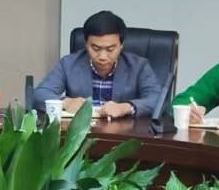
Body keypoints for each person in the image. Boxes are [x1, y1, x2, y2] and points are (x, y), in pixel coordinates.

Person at [32, 10, 163, 118]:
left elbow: (157, 99)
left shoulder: (138, 66)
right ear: (86, 44)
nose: (102, 56)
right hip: (81, 135)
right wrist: (66, 102)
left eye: (110, 49)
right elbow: (39, 94)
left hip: (123, 135)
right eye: (95, 48)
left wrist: (126, 107)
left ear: (121, 45)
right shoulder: (68, 64)